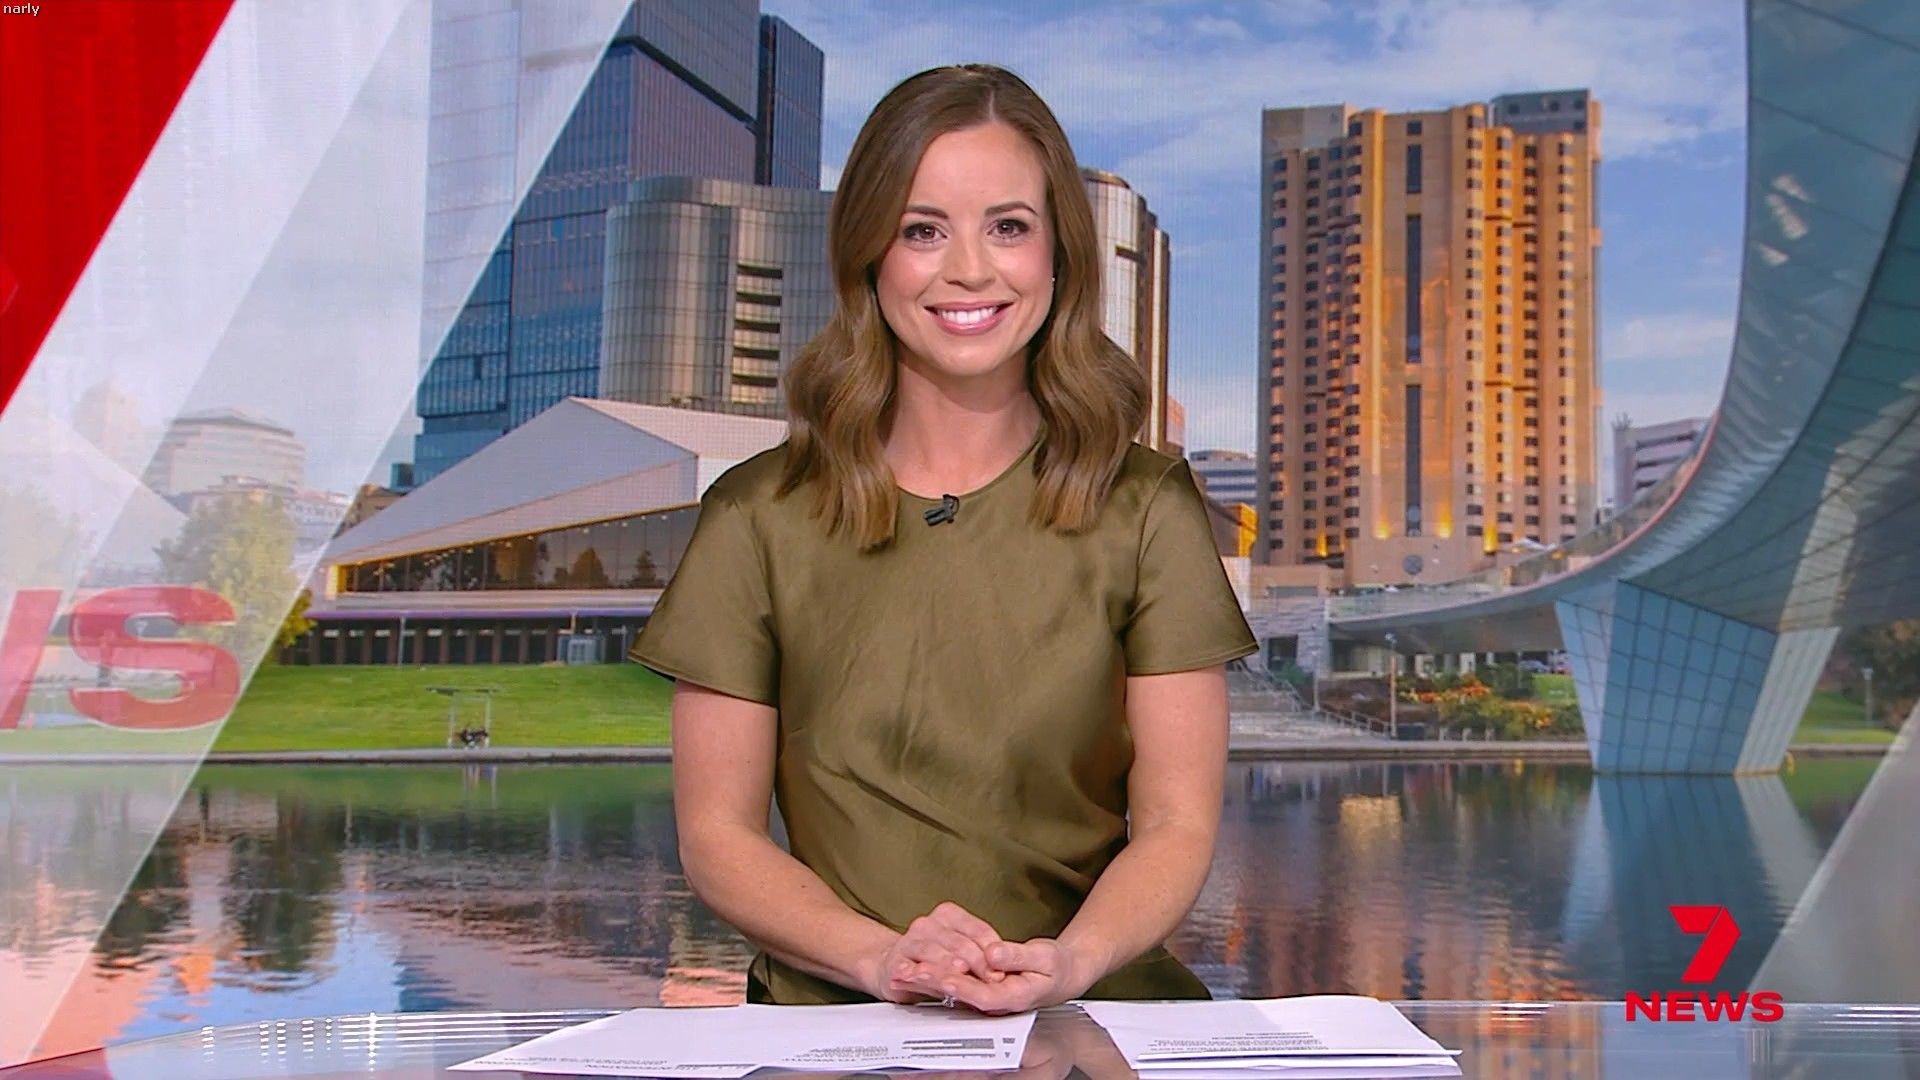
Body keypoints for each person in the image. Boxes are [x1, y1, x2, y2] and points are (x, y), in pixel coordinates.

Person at [627, 63, 1256, 1014]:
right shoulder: (756, 515)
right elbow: (717, 836)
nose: (969, 269)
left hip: (1094, 1021)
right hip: (833, 1031)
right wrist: (882, 960)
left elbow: (1175, 824)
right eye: (923, 230)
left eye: (1008, 227)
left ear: (1059, 255)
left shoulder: (1145, 507)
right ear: (869, 255)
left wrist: (1070, 963)